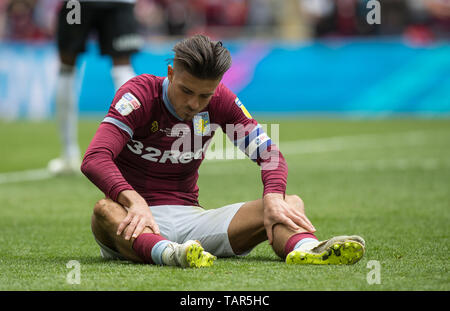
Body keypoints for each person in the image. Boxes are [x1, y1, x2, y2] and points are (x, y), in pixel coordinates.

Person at [81, 34, 366, 268]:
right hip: (132, 219)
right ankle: (170, 254)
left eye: (204, 95)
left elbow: (270, 155)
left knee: (289, 202)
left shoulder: (221, 101)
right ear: (171, 73)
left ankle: (308, 249)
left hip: (192, 221)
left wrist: (273, 195)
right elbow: (95, 159)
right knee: (103, 210)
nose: (194, 104)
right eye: (187, 91)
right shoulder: (139, 94)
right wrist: (134, 201)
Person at [49, 0, 142, 174]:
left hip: (77, 4)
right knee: (122, 66)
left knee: (66, 67)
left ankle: (69, 154)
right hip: (119, 3)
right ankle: (135, 155)